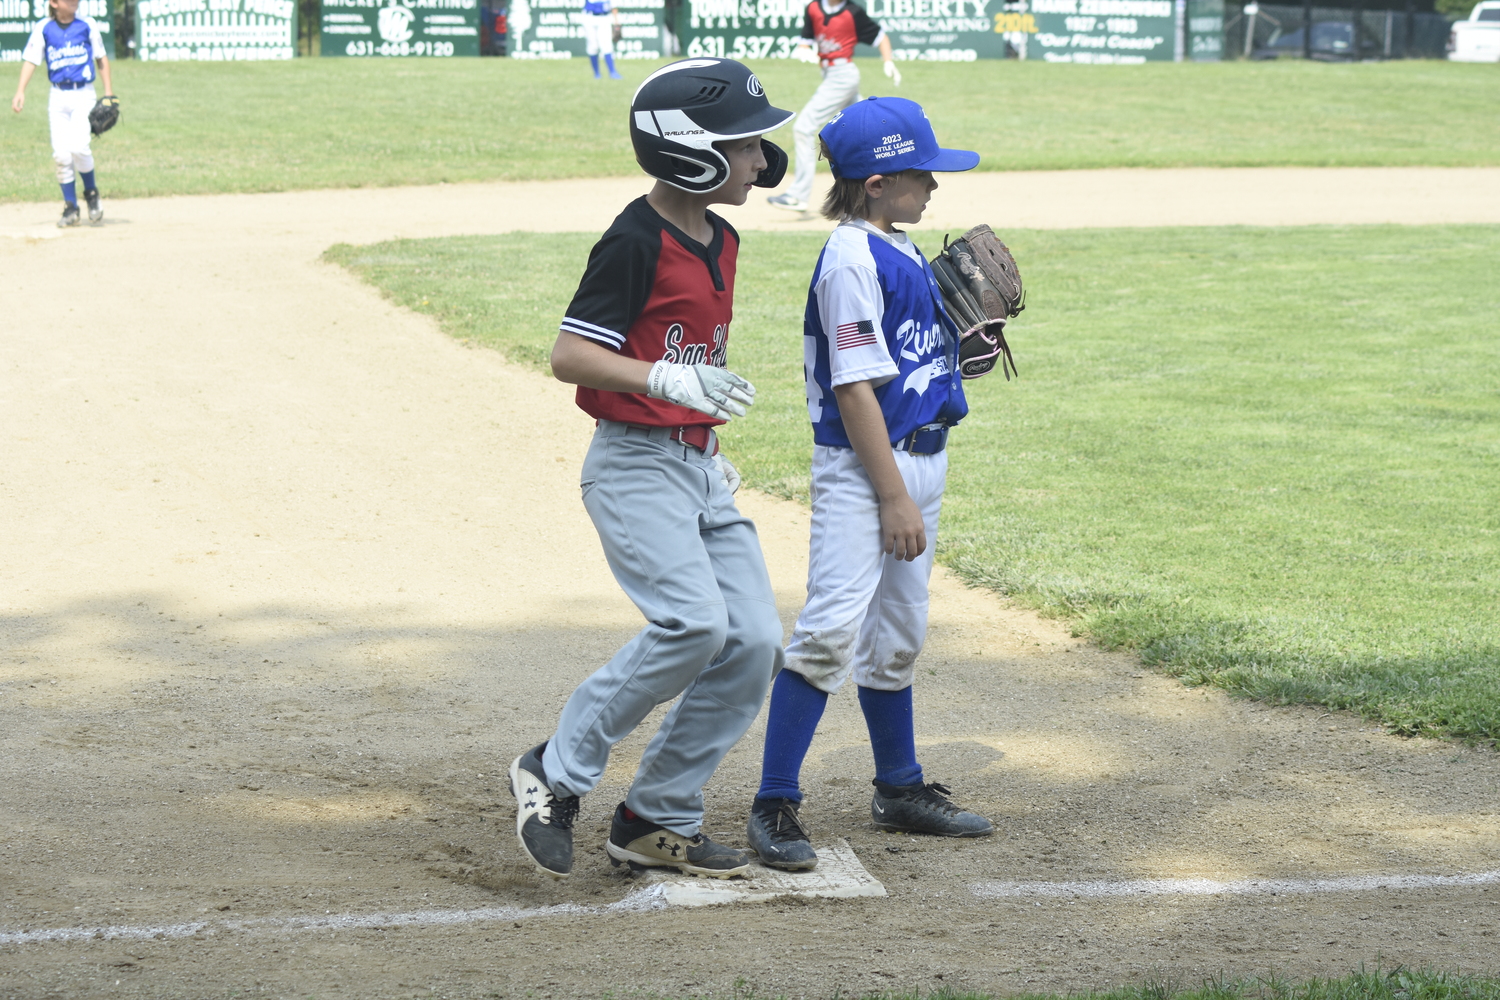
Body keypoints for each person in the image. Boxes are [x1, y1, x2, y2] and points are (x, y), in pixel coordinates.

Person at [509, 59, 794, 881]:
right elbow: (570, 356)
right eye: (743, 146)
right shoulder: (635, 238)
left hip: (701, 469)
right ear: (690, 152)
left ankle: (654, 815)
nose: (757, 161)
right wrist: (663, 379)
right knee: (694, 624)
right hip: (634, 467)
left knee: (753, 643)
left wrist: (699, 419)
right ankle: (554, 771)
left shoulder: (724, 237)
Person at [746, 97, 996, 871]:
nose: (934, 186)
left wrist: (959, 349)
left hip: (922, 459)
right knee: (829, 630)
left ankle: (900, 786)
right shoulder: (853, 259)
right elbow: (855, 391)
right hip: (867, 471)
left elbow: (907, 359)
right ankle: (774, 802)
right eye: (922, 173)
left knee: (899, 635)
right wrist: (890, 496)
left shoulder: (897, 246)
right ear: (879, 182)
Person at [765, 0, 901, 214]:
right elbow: (805, 41)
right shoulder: (813, 8)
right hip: (830, 73)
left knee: (803, 128)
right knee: (868, 130)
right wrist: (804, 50)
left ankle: (798, 195)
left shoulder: (852, 11)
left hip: (842, 75)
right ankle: (899, 177)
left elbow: (880, 36)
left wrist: (888, 61)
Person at [11, 0, 113, 229]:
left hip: (83, 94)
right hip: (57, 97)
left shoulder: (87, 24)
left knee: (79, 147)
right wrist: (20, 91)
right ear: (55, 3)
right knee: (61, 155)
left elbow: (101, 58)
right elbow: (31, 60)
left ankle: (91, 194)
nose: (75, 1)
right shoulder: (44, 28)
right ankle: (70, 206)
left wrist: (108, 93)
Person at [582, 0, 622, 79]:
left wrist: (616, 21)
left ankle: (612, 72)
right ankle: (596, 73)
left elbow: (614, 6)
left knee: (607, 46)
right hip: (589, 17)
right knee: (593, 46)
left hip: (604, 17)